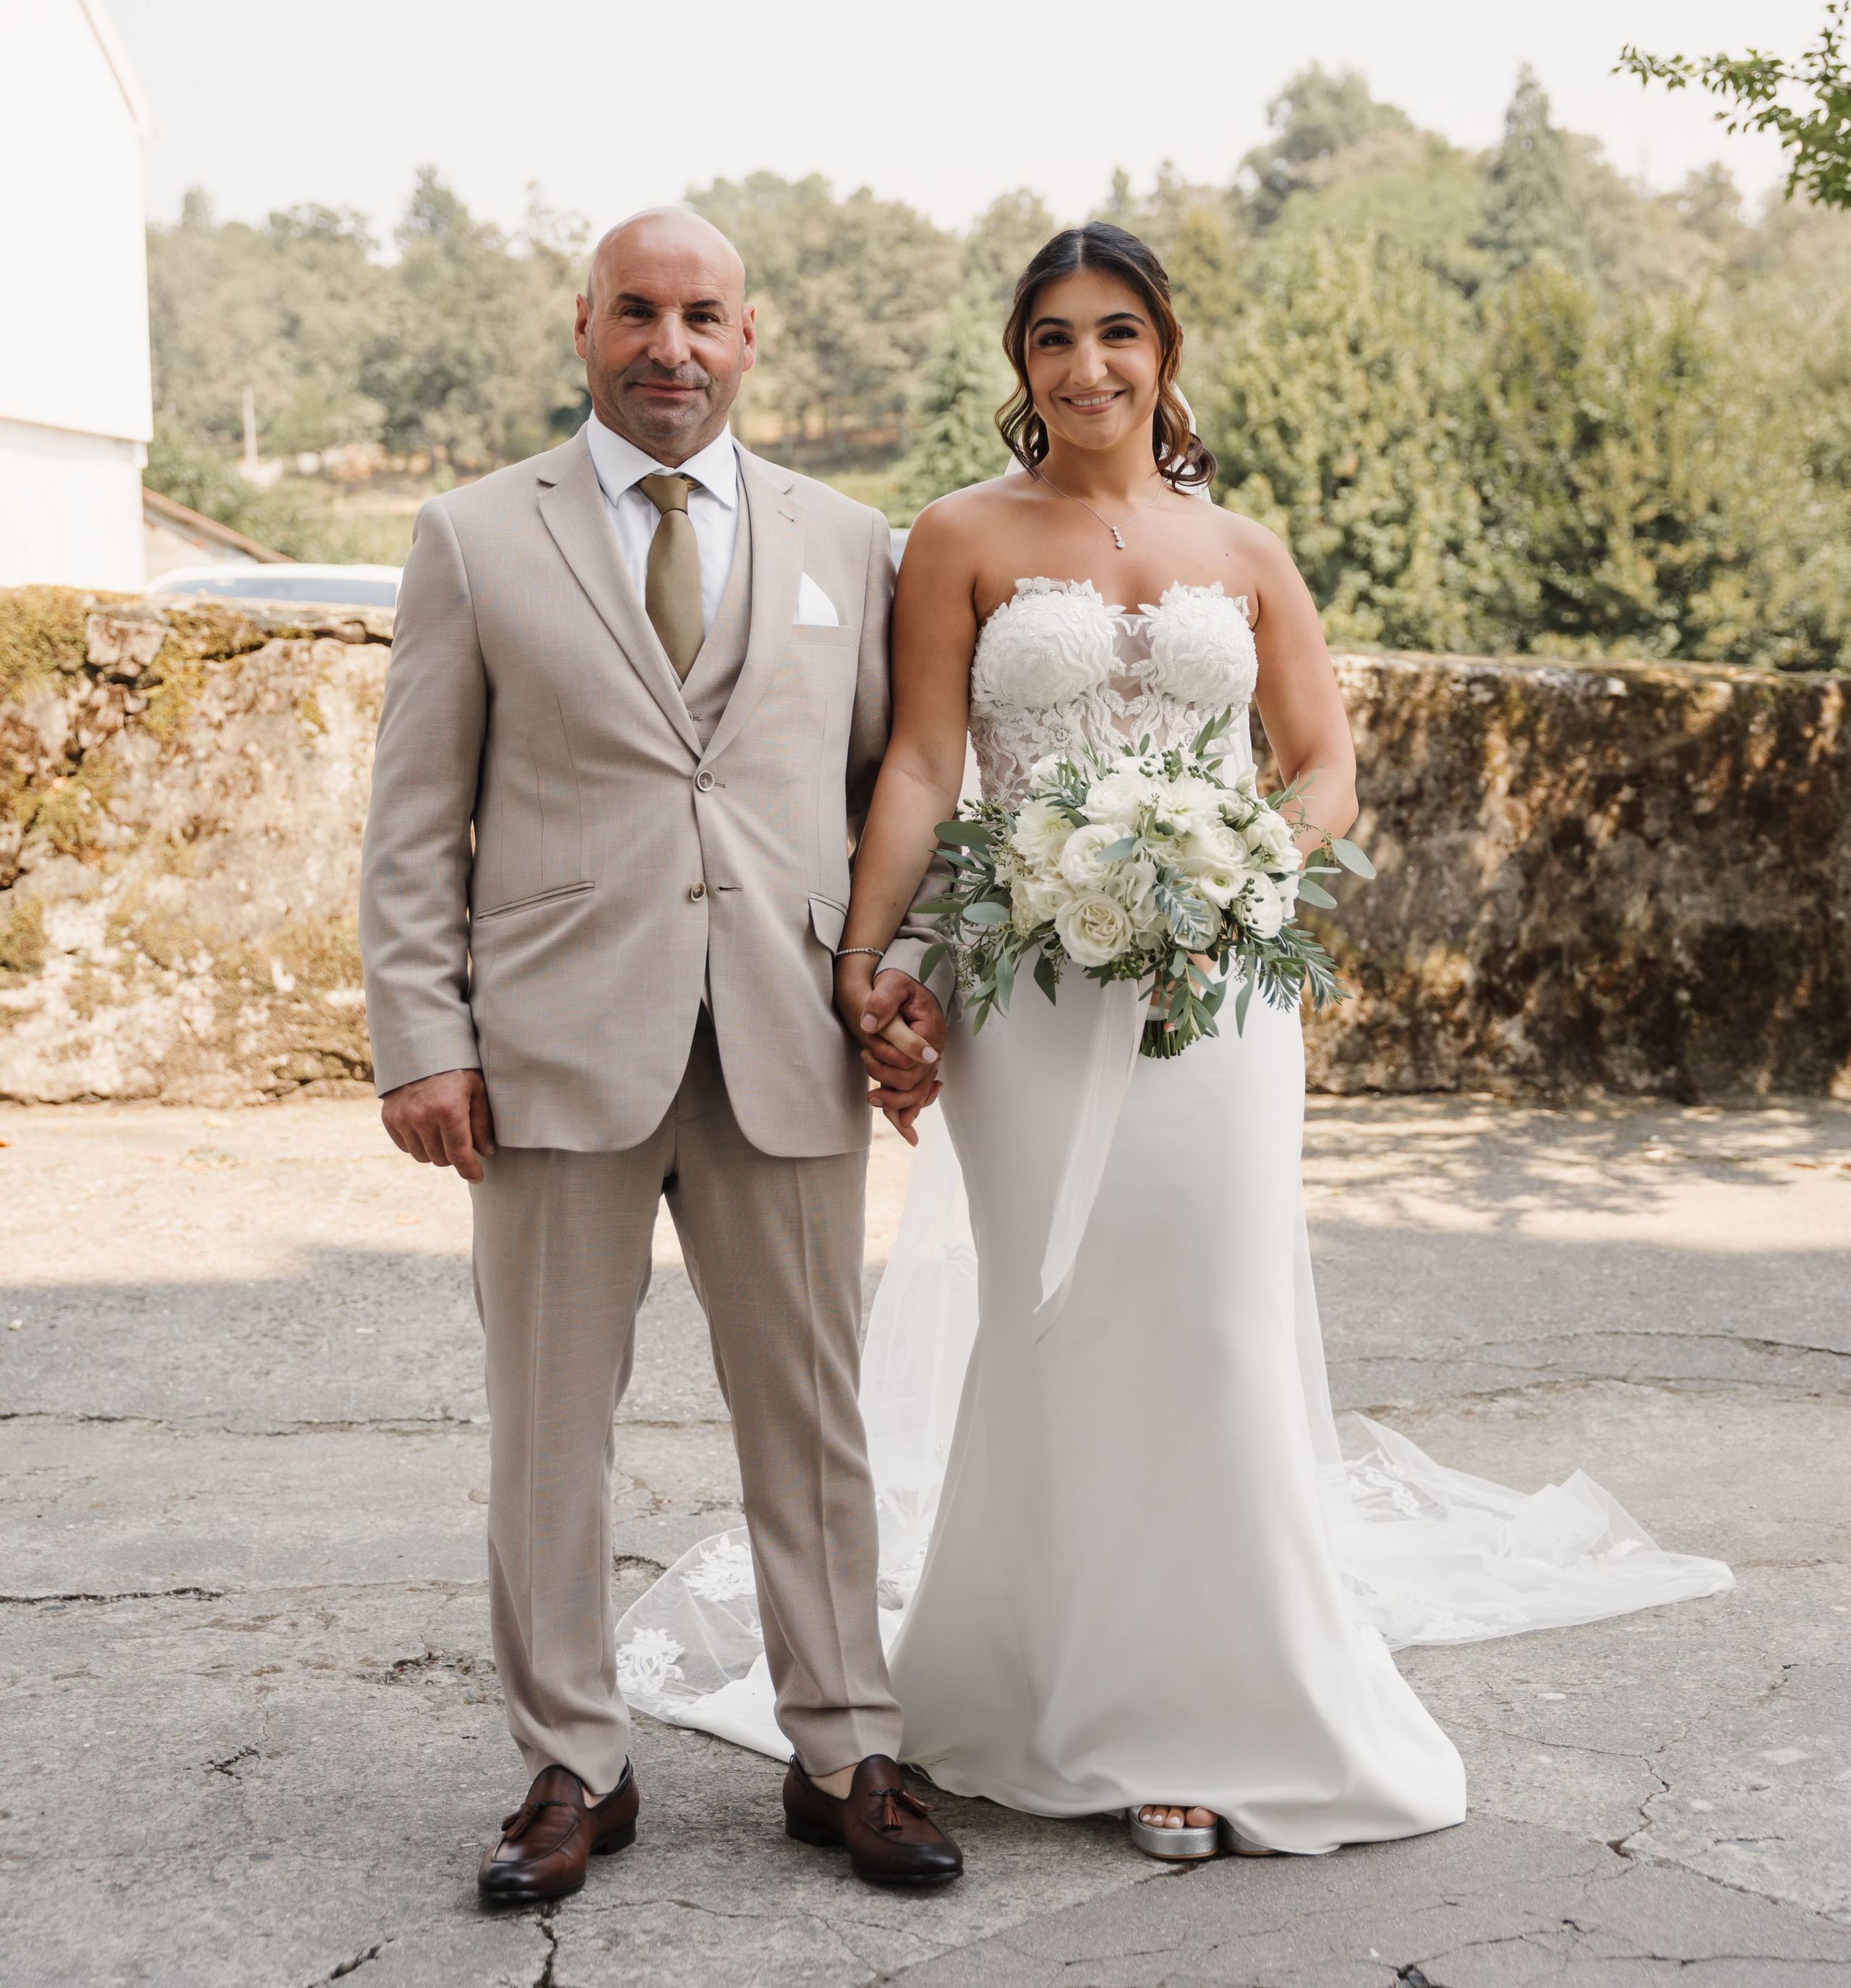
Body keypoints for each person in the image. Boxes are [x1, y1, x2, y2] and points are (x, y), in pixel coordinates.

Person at [832, 220, 1470, 1856]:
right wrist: (867, 956)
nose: (1087, 364)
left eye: (1118, 331)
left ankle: (1206, 1703)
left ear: (1164, 353)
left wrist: (1248, 854)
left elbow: (1321, 764)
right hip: (1025, 998)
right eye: (1052, 336)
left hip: (1214, 999)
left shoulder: (1247, 553)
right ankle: (1043, 1674)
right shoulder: (959, 536)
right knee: (1059, 1321)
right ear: (1019, 366)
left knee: (1206, 1320)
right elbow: (920, 765)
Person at [359, 206, 963, 1903]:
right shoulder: (475, 536)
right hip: (551, 1048)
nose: (668, 346)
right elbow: (414, 823)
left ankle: (844, 1747)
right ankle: (574, 1764)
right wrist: (422, 1036)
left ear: (751, 336)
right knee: (548, 1427)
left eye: (702, 315)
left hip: (786, 1033)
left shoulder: (853, 543)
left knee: (814, 1418)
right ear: (582, 326)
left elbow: (902, 801)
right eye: (636, 311)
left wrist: (901, 977)